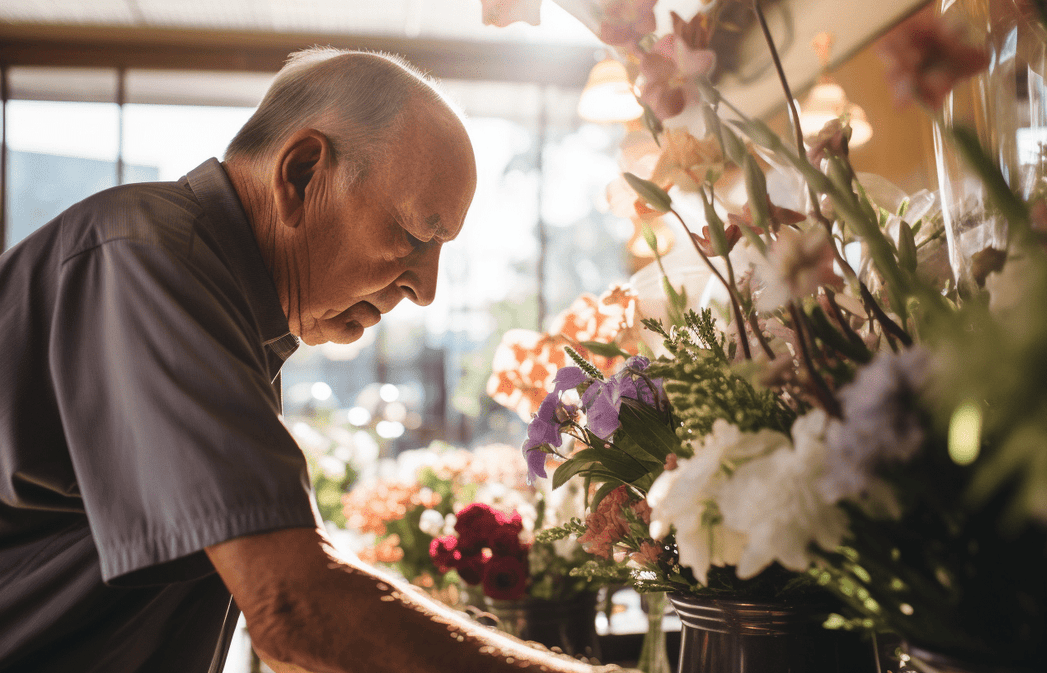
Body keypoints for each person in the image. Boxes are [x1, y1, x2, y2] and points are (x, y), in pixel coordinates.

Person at [0, 48, 622, 673]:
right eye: (415, 236)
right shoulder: (146, 258)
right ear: (300, 174)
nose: (426, 289)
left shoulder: (225, 305)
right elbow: (294, 609)